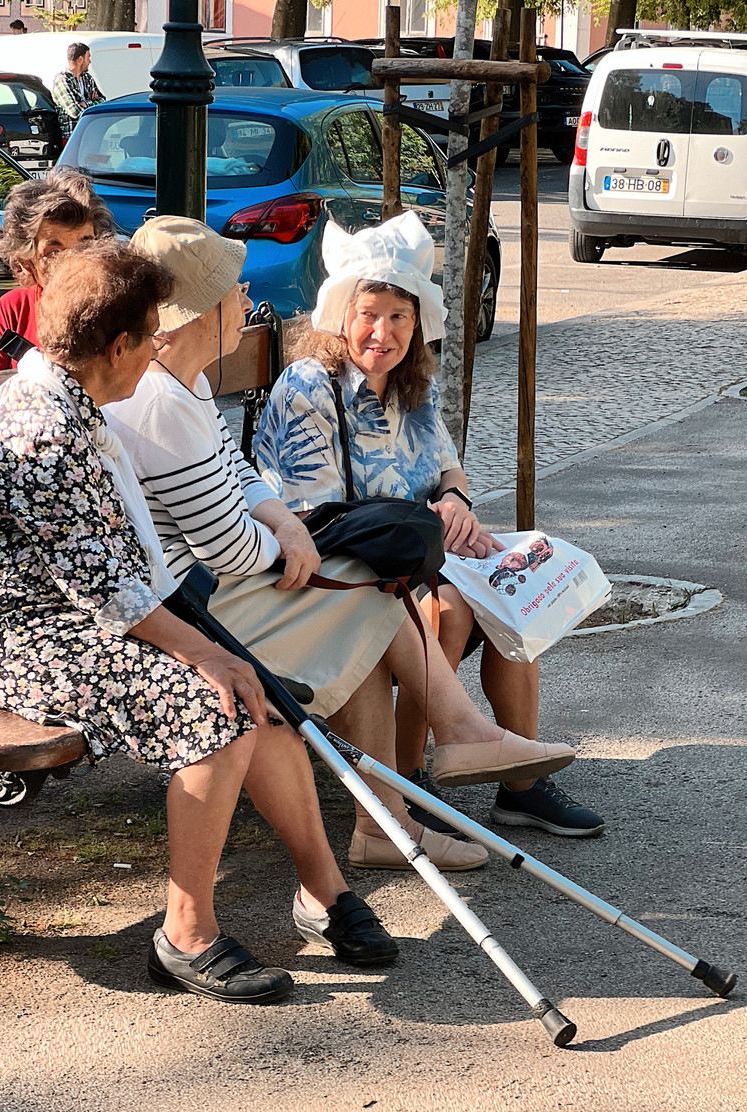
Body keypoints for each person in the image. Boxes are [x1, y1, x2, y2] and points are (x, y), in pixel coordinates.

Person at [0, 239, 402, 1002]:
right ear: (118, 345)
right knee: (215, 707)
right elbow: (111, 594)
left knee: (254, 695)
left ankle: (323, 891)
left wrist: (221, 651)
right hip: (24, 639)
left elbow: (121, 581)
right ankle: (185, 936)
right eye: (151, 336)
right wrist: (210, 658)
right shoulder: (42, 432)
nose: (158, 349)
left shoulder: (73, 398)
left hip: (85, 617)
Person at [106, 217, 575, 879]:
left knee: (406, 591)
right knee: (377, 594)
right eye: (233, 291)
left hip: (210, 581)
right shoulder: (166, 400)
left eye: (399, 317)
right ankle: (419, 783)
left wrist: (290, 528)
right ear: (202, 312)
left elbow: (239, 480)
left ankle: (441, 778)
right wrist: (290, 542)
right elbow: (228, 545)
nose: (247, 300)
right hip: (183, 607)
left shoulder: (191, 384)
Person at [254, 211, 605, 838]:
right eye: (370, 313)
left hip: (412, 557)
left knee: (506, 596)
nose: (382, 332)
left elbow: (449, 470)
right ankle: (413, 780)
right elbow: (319, 517)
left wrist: (454, 505)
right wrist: (431, 523)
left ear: (418, 326)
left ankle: (517, 786)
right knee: (450, 608)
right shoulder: (311, 386)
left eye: (399, 317)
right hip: (332, 570)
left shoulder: (414, 385)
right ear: (341, 313)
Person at [0, 172, 114, 376]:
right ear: (26, 262)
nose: (72, 262)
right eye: (53, 253)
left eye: (85, 247)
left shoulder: (118, 308)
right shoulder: (13, 312)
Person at [52, 41, 106, 141]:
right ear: (80, 59)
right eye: (88, 57)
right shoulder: (63, 80)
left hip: (90, 134)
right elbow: (74, 111)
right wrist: (92, 102)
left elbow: (103, 100)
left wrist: (84, 104)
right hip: (72, 138)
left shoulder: (87, 78)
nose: (90, 61)